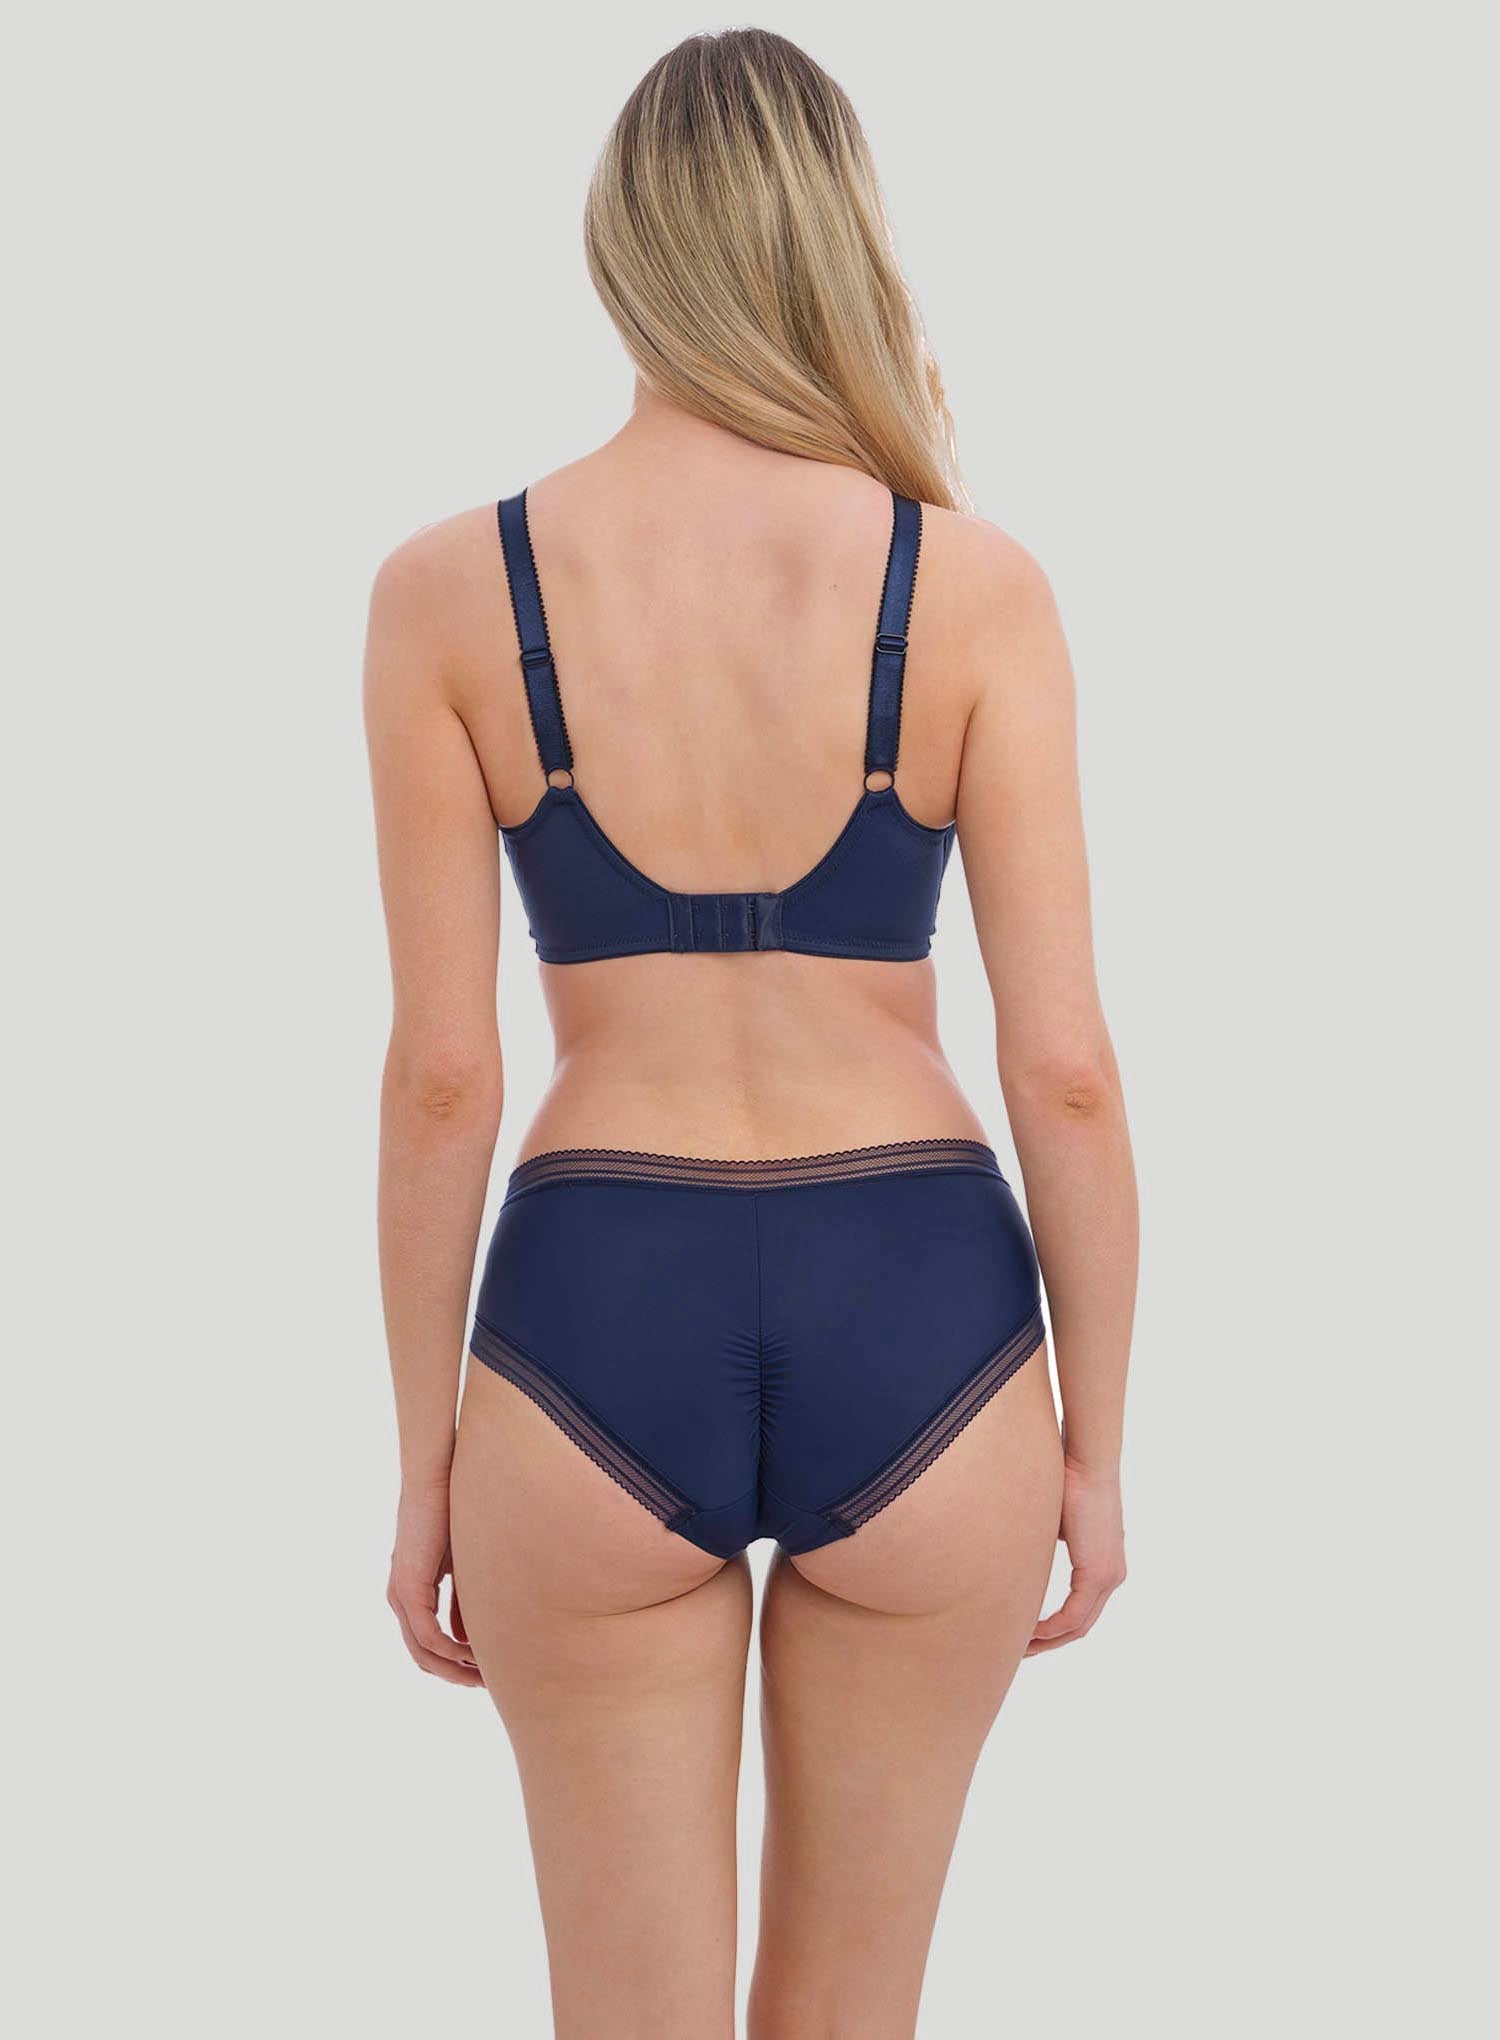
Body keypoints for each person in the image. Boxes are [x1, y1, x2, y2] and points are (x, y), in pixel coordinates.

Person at [365, 28, 1137, 2039]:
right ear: (836, 239)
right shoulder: (971, 590)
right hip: (927, 1313)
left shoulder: (450, 593)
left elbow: (444, 1078)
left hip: (592, 1310)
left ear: (623, 245)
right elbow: (1064, 1070)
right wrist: (1099, 1447)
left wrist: (427, 1465)